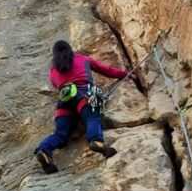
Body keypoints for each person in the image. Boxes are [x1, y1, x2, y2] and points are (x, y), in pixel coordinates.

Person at [34, 40, 128, 174]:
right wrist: (124, 74)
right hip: (84, 93)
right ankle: (96, 141)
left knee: (60, 134)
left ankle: (44, 150)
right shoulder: (82, 59)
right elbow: (105, 70)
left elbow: (56, 85)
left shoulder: (53, 71)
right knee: (92, 118)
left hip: (64, 100)